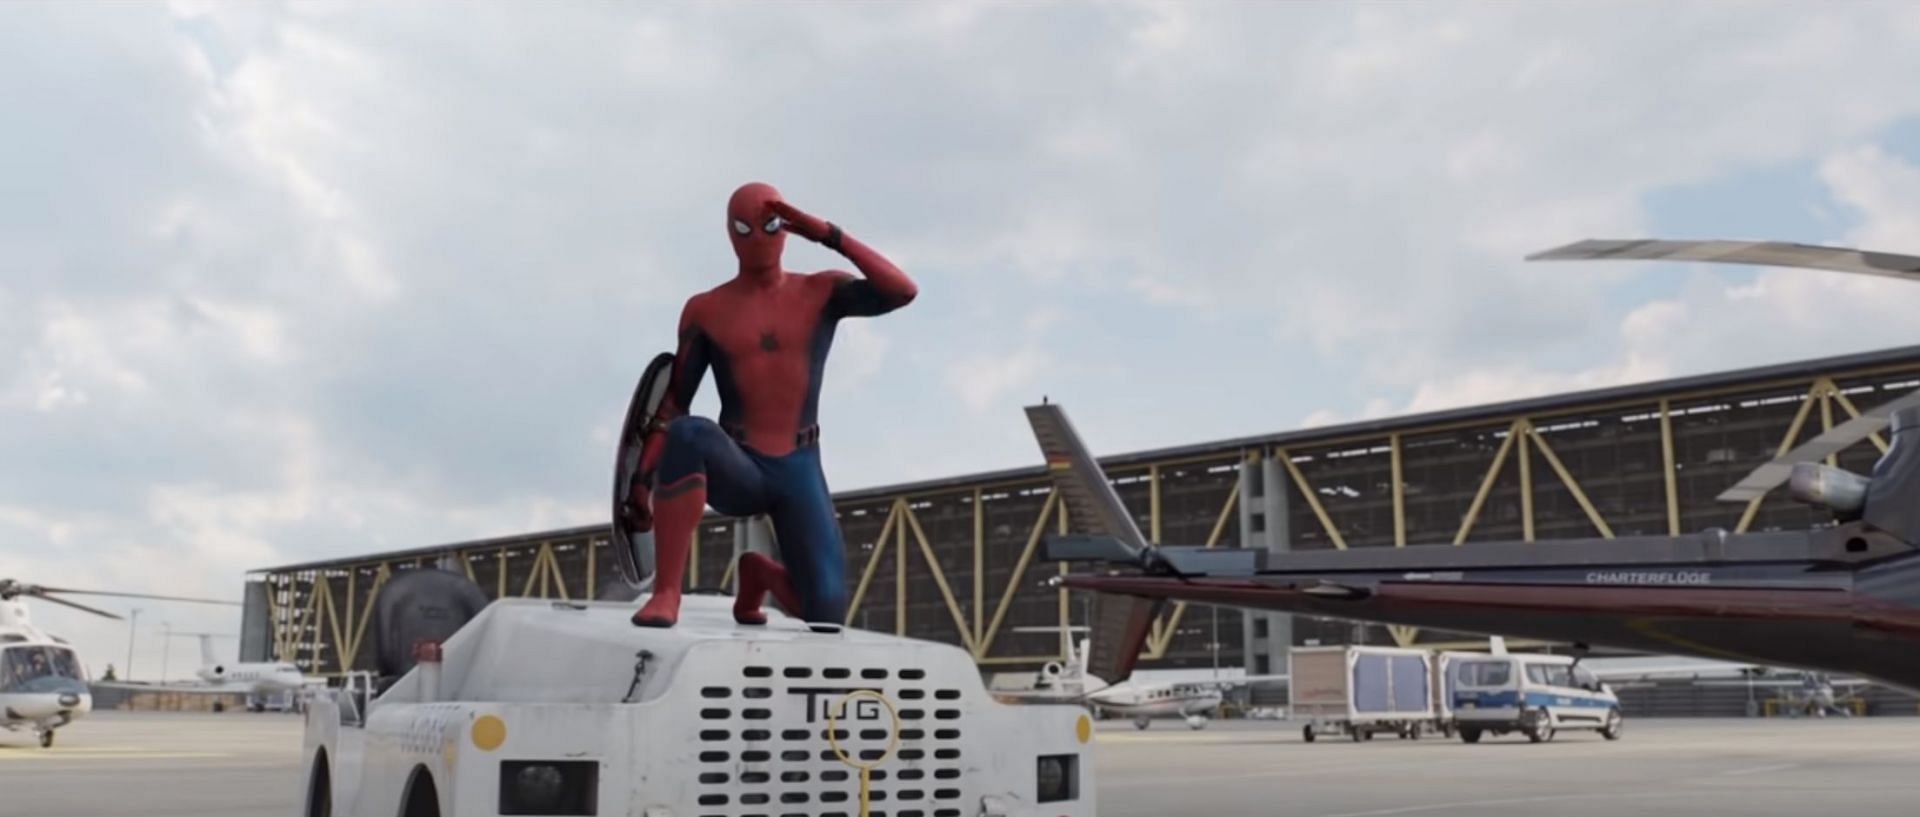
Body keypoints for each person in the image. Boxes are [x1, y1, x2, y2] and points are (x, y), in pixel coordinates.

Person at [625, 182, 917, 629]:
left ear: (788, 228)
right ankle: (667, 592)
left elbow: (902, 291)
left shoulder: (821, 292)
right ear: (729, 234)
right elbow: (673, 405)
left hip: (800, 466)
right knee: (690, 433)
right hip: (738, 464)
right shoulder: (707, 310)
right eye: (745, 228)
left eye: (771, 224)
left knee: (825, 616)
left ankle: (757, 575)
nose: (759, 238)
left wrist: (827, 234)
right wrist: (641, 481)